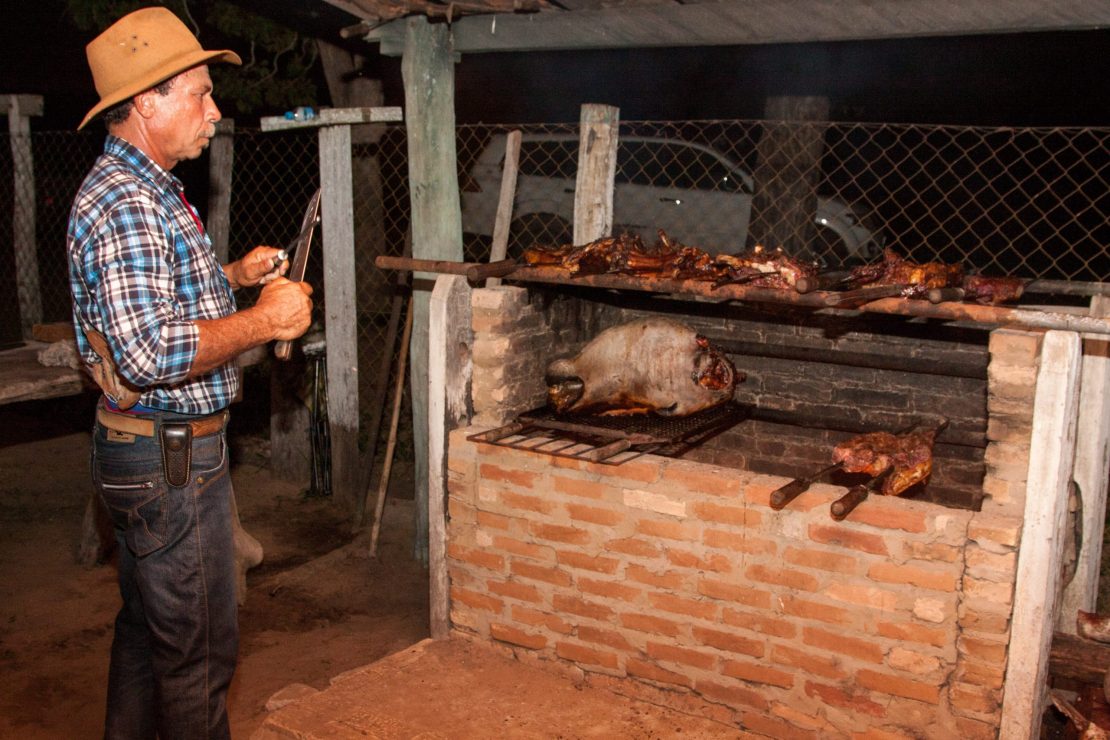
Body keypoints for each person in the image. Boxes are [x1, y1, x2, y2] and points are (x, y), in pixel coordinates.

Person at [66, 7, 314, 738]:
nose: (214, 110)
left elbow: (157, 304)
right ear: (146, 102)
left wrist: (234, 275)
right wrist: (266, 321)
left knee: (149, 638)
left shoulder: (149, 187)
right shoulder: (126, 202)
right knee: (199, 659)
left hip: (150, 454)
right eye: (199, 94)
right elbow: (147, 353)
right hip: (168, 459)